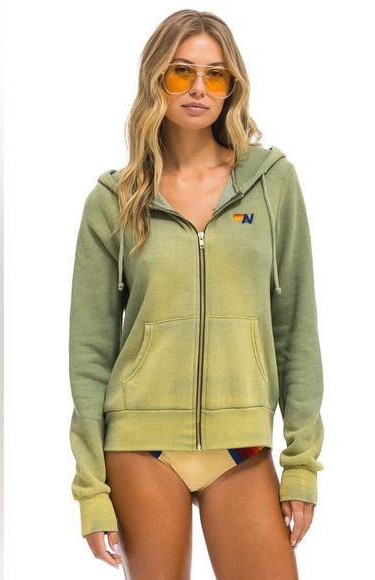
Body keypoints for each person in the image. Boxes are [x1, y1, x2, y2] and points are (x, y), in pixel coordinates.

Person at [69, 9, 324, 579]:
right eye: (181, 72)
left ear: (232, 86)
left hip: (242, 445)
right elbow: (89, 352)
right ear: (155, 78)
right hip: (140, 446)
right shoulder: (114, 200)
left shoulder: (272, 183)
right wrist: (91, 489)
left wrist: (301, 464)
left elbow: (296, 327)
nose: (199, 88)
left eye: (216, 75)